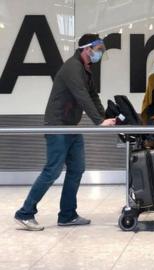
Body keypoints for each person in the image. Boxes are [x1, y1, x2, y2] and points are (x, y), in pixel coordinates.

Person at [14, 34, 116, 231]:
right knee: (52, 170)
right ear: (87, 49)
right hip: (58, 126)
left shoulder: (86, 69)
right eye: (98, 50)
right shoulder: (72, 68)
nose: (100, 54)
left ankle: (67, 215)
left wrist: (104, 116)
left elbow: (93, 95)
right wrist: (98, 121)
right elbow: (82, 95)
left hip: (70, 126)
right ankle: (25, 213)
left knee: (77, 168)